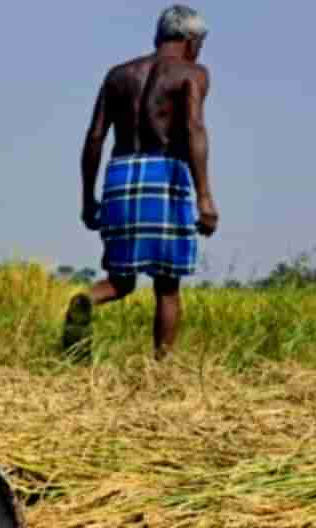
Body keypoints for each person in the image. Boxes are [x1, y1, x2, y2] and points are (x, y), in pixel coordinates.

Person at [64, 4, 219, 361]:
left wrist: (88, 198)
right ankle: (161, 370)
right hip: (164, 174)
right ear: (190, 39)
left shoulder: (119, 74)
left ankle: (88, 298)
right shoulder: (192, 73)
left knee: (120, 279)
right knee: (167, 285)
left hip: (119, 174)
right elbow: (195, 129)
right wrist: (205, 197)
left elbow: (94, 138)